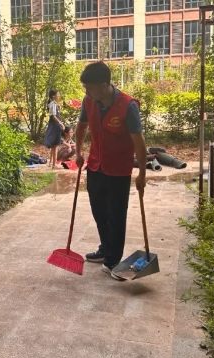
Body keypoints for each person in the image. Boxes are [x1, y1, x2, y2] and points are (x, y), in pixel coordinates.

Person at [74, 62, 148, 280]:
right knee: (99, 212)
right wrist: (78, 152)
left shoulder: (128, 106)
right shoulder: (89, 102)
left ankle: (114, 259)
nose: (87, 93)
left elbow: (139, 143)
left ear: (104, 85)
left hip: (118, 171)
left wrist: (142, 174)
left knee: (116, 215)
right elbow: (81, 126)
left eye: (89, 88)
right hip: (95, 166)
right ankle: (106, 248)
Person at [43, 89, 65, 168]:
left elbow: (56, 114)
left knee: (54, 145)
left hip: (54, 125)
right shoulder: (53, 104)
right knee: (56, 145)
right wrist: (61, 123)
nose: (59, 95)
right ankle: (54, 164)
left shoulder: (53, 104)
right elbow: (53, 116)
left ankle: (51, 163)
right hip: (55, 125)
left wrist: (59, 108)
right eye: (57, 94)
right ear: (53, 96)